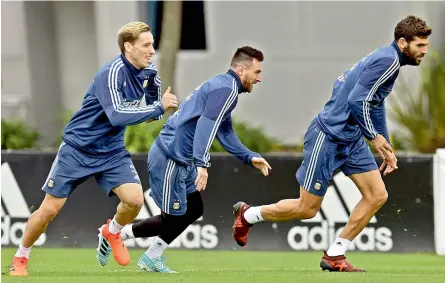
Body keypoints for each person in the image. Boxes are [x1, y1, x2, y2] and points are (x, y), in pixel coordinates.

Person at [232, 15, 432, 272]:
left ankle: (335, 253)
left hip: (352, 138)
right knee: (307, 209)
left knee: (377, 195)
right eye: (420, 46)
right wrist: (373, 137)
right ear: (403, 42)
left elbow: (375, 104)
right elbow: (356, 101)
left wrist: (386, 148)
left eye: (426, 45)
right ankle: (248, 215)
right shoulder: (388, 60)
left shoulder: (390, 61)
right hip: (328, 136)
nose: (424, 51)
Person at [9, 22, 178, 277]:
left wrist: (156, 95)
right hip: (78, 148)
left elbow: (149, 114)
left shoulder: (146, 71)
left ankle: (112, 231)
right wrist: (158, 107)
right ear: (128, 46)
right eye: (146, 45)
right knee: (49, 211)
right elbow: (118, 115)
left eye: (152, 44)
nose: (152, 50)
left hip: (111, 151)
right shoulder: (111, 73)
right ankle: (21, 256)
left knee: (134, 201)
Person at [96, 46, 272, 273]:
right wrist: (202, 164)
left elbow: (224, 131)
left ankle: (151, 257)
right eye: (256, 72)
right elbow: (205, 127)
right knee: (172, 218)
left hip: (181, 158)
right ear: (240, 69)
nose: (259, 78)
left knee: (194, 208)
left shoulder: (225, 87)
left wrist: (249, 157)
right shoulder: (225, 89)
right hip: (170, 157)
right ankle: (113, 232)